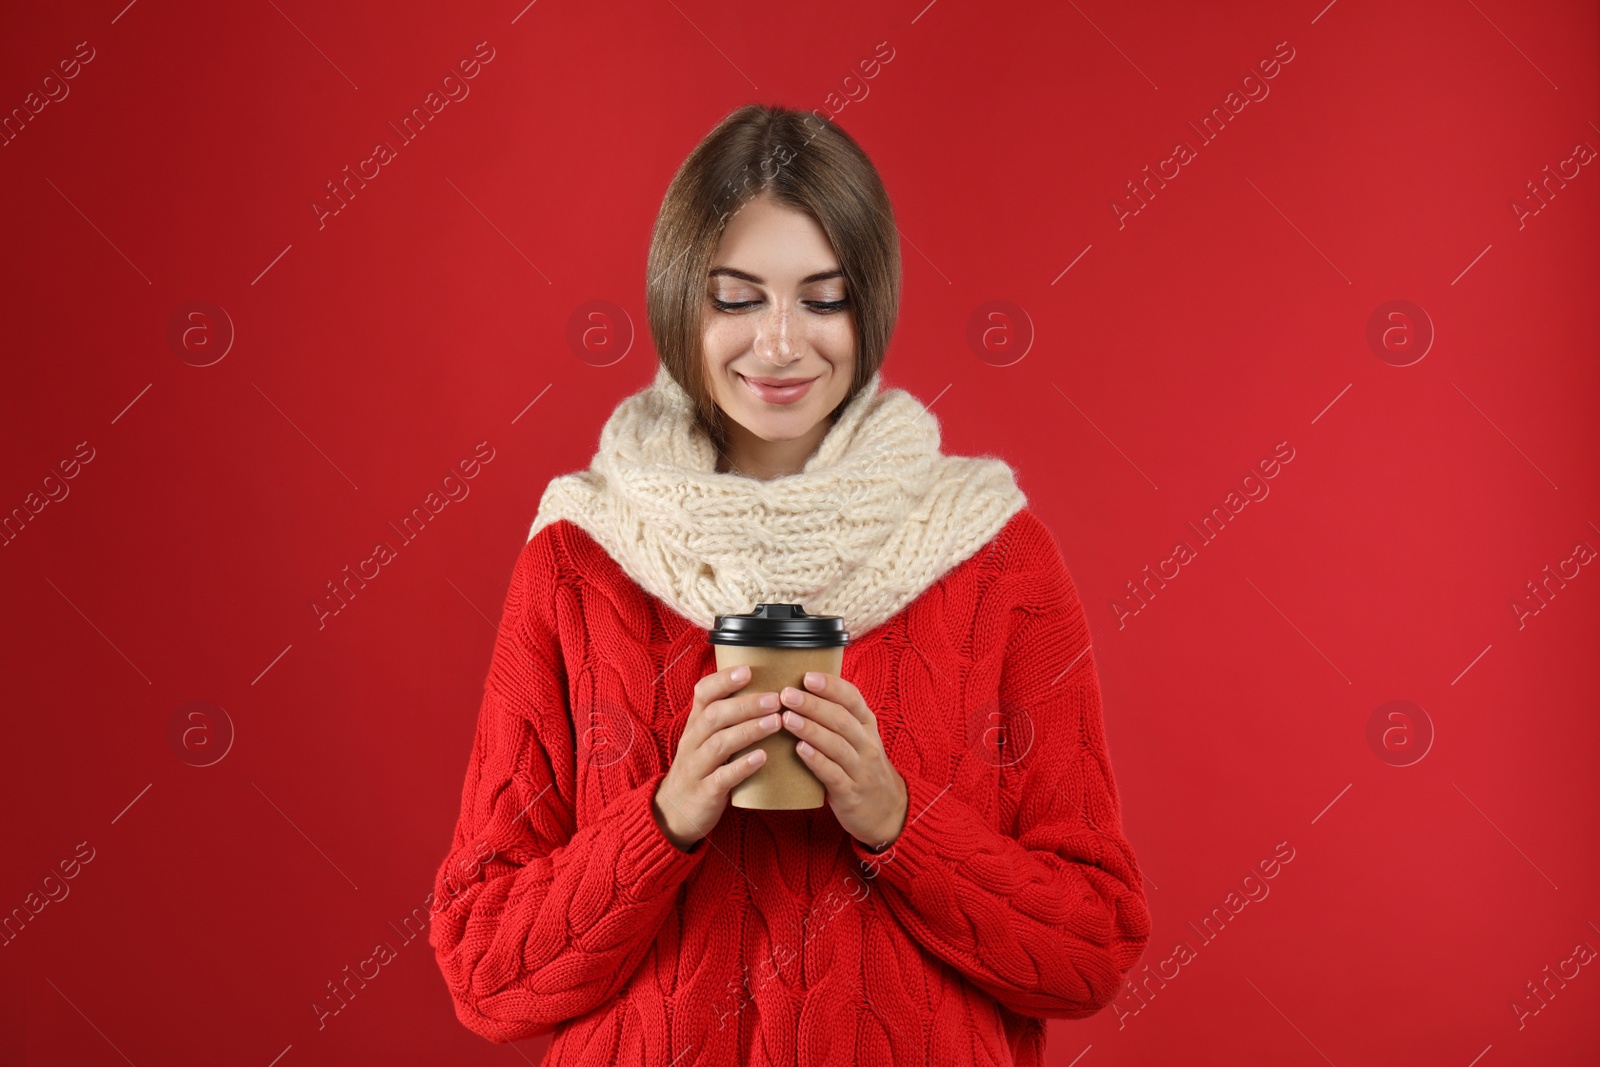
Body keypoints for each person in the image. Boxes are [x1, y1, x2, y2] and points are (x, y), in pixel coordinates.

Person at [428, 103, 1150, 1066]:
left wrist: (899, 820)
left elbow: (1093, 950)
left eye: (823, 297)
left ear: (873, 305)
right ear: (681, 298)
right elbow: (483, 973)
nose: (779, 344)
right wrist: (664, 820)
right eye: (736, 297)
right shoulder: (579, 557)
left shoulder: (996, 558)